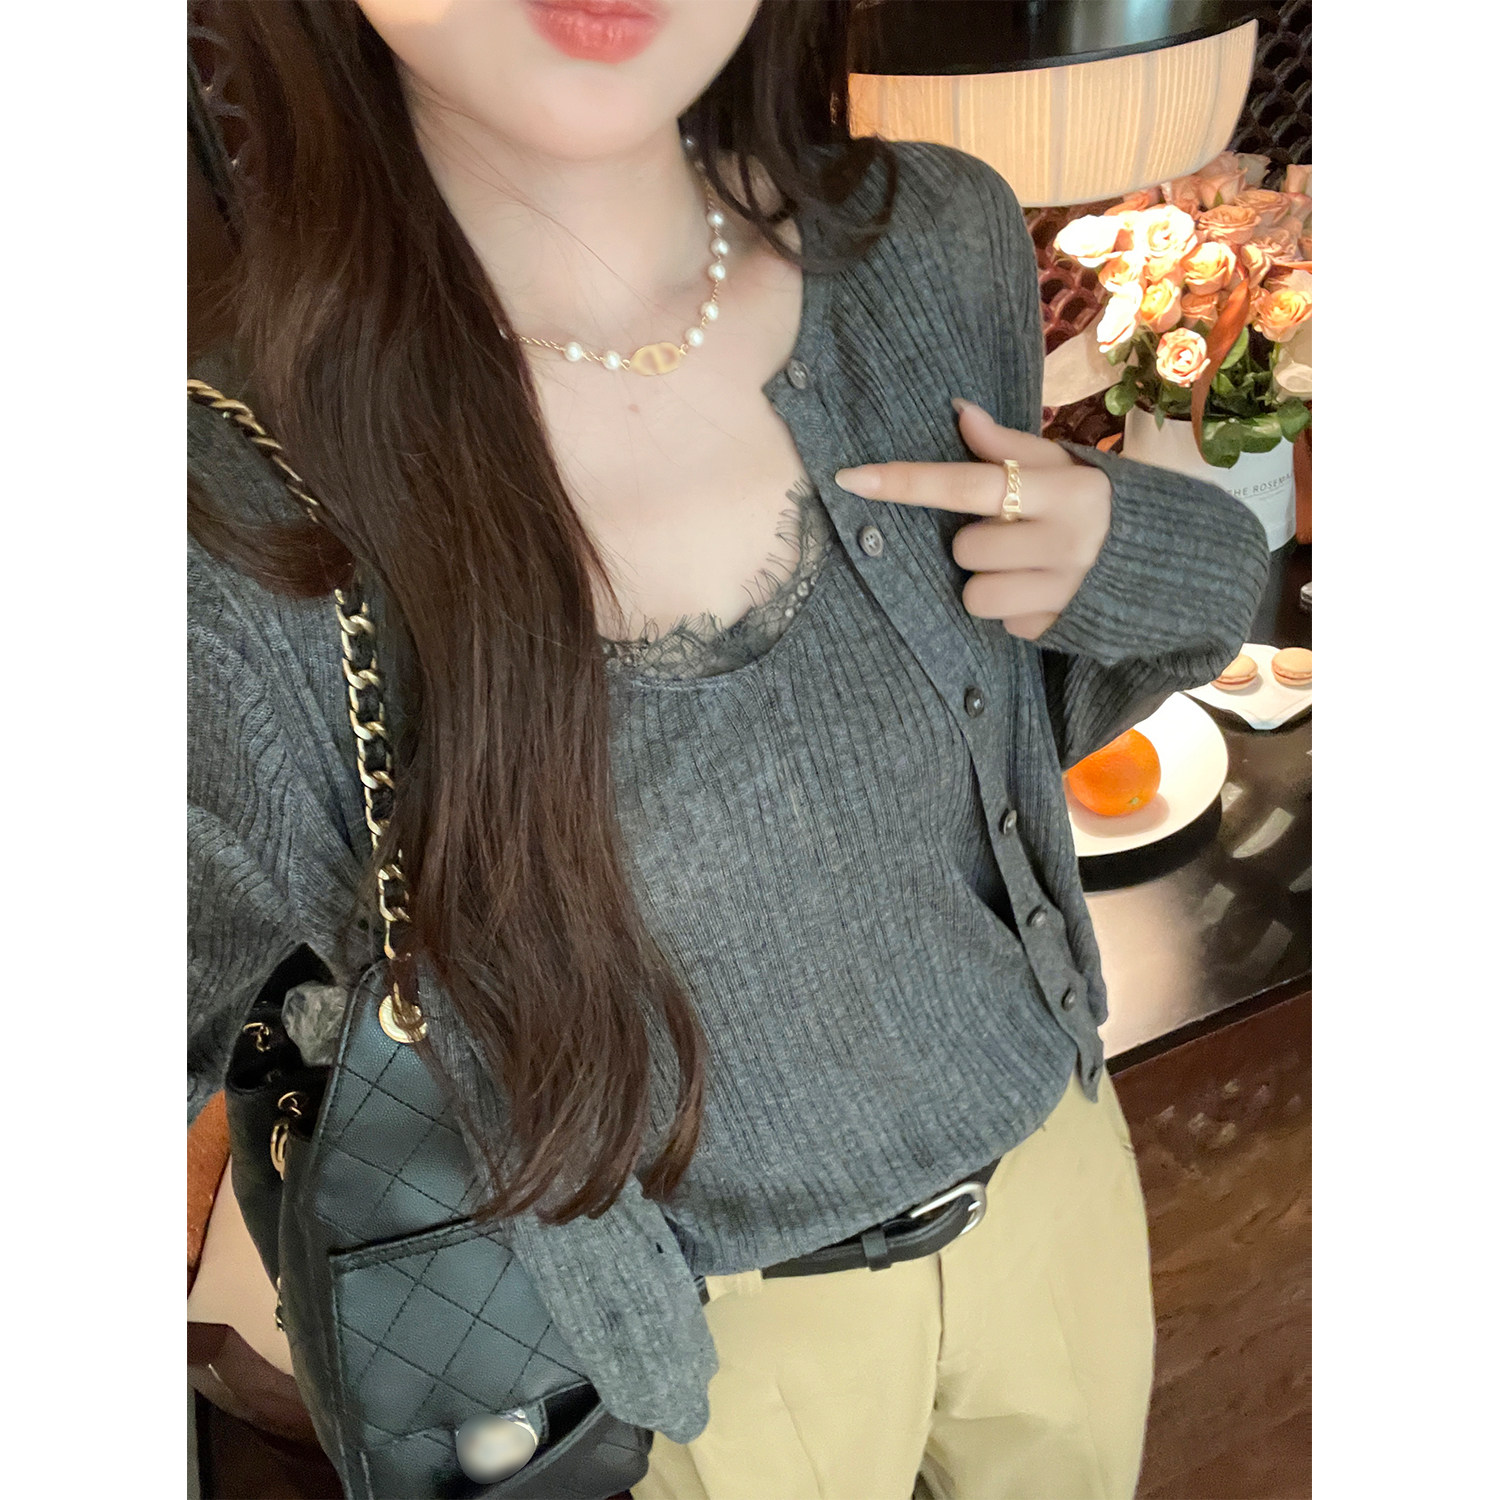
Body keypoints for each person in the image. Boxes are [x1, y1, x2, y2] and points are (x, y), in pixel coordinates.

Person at [187, 2, 1269, 1497]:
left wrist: (1117, 541)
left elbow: (1016, 720)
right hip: (705, 1347)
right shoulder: (226, 507)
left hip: (1054, 1175)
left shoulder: (931, 243)